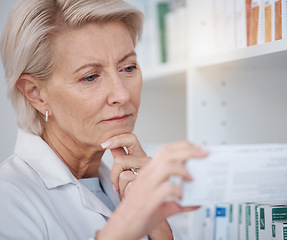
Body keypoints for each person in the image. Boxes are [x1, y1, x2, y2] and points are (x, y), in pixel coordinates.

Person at [0, 0, 209, 239]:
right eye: (90, 77)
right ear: (36, 94)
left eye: (128, 68)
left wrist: (159, 228)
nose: (122, 94)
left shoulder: (124, 183)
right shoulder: (7, 198)